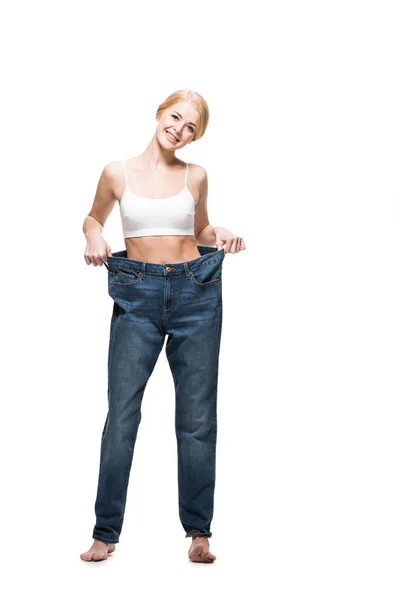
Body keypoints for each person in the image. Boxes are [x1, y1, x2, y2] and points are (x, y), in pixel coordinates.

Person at [80, 89, 246, 563]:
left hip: (197, 289)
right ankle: (104, 532)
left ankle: (199, 533)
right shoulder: (117, 172)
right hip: (137, 291)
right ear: (159, 113)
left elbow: (200, 232)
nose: (180, 129)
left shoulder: (196, 175)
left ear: (195, 136)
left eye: (191, 126)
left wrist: (222, 233)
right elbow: (93, 217)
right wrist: (94, 233)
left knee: (196, 419)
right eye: (176, 117)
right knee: (122, 416)